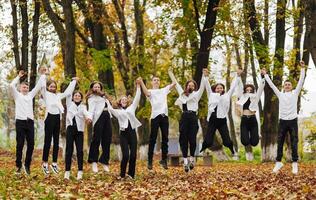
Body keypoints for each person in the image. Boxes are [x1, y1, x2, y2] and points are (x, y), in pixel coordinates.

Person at [261, 61, 306, 174]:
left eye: (289, 85)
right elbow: (271, 85)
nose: (287, 86)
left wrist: (302, 68)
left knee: (294, 142)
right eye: (285, 85)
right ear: (283, 87)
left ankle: (294, 164)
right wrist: (265, 74)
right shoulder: (280, 94)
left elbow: (301, 81)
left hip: (293, 121)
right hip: (282, 121)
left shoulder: (295, 93)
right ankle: (278, 162)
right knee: (280, 141)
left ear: (291, 87)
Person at [168, 68, 207, 172]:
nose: (191, 86)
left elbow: (203, 86)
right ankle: (185, 162)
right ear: (186, 86)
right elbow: (175, 83)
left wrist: (204, 75)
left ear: (194, 87)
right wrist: (170, 73)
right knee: (183, 140)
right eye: (189, 85)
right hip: (184, 117)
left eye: (192, 85)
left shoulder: (196, 95)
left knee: (192, 140)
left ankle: (191, 159)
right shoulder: (182, 94)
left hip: (193, 118)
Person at [10, 68, 46, 175]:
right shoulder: (17, 96)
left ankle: (27, 165)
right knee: (20, 144)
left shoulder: (30, 95)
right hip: (20, 122)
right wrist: (19, 76)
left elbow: (39, 85)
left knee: (31, 144)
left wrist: (43, 75)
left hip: (29, 122)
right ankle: (18, 166)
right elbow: (11, 86)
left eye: (27, 87)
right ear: (20, 88)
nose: (25, 89)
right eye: (24, 87)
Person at [200, 68, 243, 160]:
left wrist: (238, 75)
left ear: (223, 89)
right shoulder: (211, 95)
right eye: (217, 88)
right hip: (212, 119)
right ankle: (204, 147)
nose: (219, 89)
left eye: (221, 88)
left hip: (222, 120)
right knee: (209, 138)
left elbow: (233, 86)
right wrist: (205, 76)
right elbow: (207, 86)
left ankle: (231, 148)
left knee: (226, 139)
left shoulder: (227, 95)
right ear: (215, 89)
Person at [41, 75, 78, 175]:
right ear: (48, 87)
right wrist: (43, 76)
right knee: (47, 142)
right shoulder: (45, 94)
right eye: (51, 86)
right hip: (49, 118)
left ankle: (54, 163)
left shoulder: (57, 96)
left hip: (57, 118)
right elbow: (42, 87)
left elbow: (67, 92)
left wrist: (73, 82)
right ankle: (44, 163)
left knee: (56, 142)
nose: (53, 88)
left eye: (54, 86)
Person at [105, 79, 141, 179]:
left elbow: (137, 98)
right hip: (124, 134)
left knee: (133, 156)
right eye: (122, 100)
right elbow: (111, 109)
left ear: (127, 102)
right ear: (120, 102)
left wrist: (138, 86)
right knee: (126, 155)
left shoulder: (132, 108)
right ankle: (122, 175)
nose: (124, 101)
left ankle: (131, 175)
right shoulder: (118, 111)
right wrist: (106, 99)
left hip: (132, 133)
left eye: (125, 100)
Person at [138, 76, 176, 170]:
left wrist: (171, 74)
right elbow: (146, 92)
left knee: (165, 139)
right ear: (152, 82)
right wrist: (141, 82)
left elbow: (174, 83)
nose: (156, 81)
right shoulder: (150, 91)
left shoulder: (164, 90)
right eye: (155, 80)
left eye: (158, 80)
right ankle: (150, 161)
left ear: (160, 82)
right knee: (153, 139)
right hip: (155, 117)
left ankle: (164, 160)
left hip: (164, 117)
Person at [236, 74, 265, 160]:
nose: (248, 91)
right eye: (247, 90)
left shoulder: (256, 97)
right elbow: (240, 86)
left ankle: (253, 139)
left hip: (253, 119)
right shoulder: (242, 97)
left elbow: (261, 88)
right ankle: (248, 152)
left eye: (250, 90)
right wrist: (238, 76)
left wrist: (263, 77)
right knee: (244, 142)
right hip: (244, 119)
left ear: (253, 91)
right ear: (244, 91)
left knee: (255, 142)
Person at [86, 81, 112, 173]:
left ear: (101, 88)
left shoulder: (104, 97)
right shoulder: (91, 98)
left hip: (107, 117)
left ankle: (105, 162)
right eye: (95, 87)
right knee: (96, 140)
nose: (97, 88)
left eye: (98, 87)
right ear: (92, 88)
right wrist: (89, 118)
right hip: (98, 119)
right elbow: (91, 110)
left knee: (107, 140)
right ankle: (94, 161)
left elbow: (111, 106)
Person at [64, 90, 89, 180]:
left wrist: (89, 118)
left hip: (79, 131)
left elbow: (86, 113)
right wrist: (73, 81)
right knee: (69, 151)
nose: (77, 97)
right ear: (73, 97)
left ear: (81, 98)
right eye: (75, 95)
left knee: (79, 151)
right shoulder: (69, 104)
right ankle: (67, 172)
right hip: (70, 129)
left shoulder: (83, 107)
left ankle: (80, 171)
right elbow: (68, 92)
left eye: (79, 96)